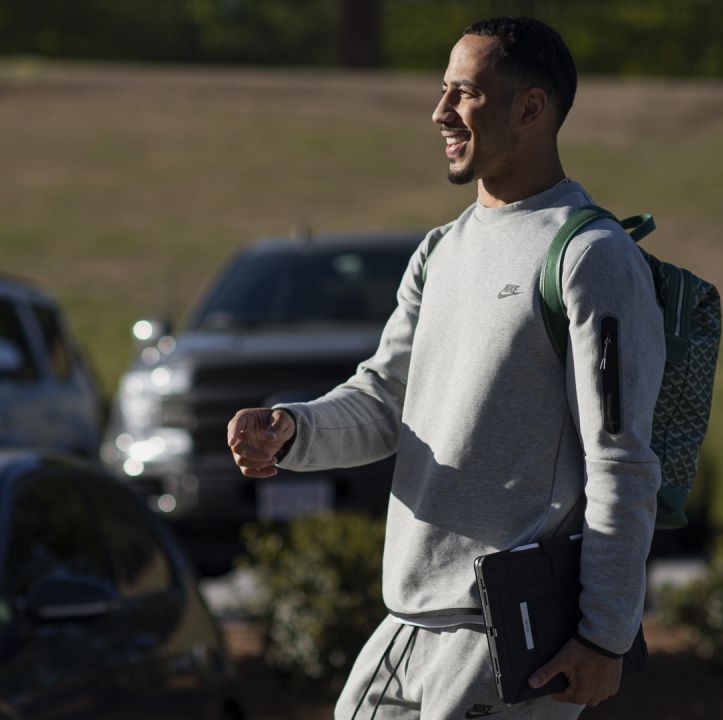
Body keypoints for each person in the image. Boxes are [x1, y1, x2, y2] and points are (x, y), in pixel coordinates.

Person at [228, 16, 664, 719]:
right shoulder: (440, 250)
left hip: (508, 646)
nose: (440, 113)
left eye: (465, 94)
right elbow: (380, 405)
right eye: (442, 91)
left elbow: (622, 463)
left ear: (530, 107)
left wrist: (604, 637)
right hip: (404, 622)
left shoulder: (591, 258)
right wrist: (292, 430)